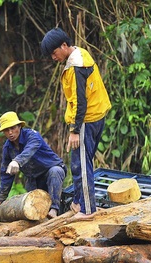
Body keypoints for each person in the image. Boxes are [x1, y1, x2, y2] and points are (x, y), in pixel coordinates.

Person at [40, 27, 112, 221]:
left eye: (54, 53)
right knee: (82, 163)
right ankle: (80, 202)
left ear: (64, 46)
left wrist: (74, 130)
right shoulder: (82, 54)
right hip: (97, 116)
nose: (53, 58)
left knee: (81, 165)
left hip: (86, 121)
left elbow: (80, 102)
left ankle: (88, 210)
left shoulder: (76, 67)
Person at [0, 111, 66, 219]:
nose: (10, 133)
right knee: (33, 209)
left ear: (19, 126)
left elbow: (30, 149)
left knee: (55, 171)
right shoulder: (7, 148)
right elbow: (6, 174)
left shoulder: (32, 135)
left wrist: (17, 161)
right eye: (6, 130)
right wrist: (0, 199)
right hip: (34, 179)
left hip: (50, 171)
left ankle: (54, 210)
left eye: (13, 128)